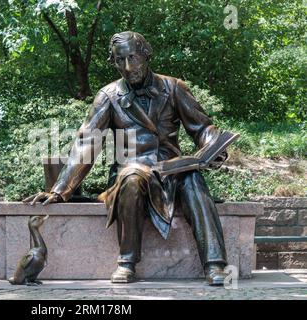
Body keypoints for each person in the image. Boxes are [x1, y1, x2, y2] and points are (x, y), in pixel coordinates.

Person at [23, 31, 229, 285]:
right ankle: (127, 262)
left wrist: (213, 146)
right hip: (132, 170)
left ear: (146, 55)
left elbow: (203, 128)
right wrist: (60, 189)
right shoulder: (108, 96)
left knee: (193, 178)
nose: (128, 67)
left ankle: (215, 264)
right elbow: (87, 142)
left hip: (170, 170)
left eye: (133, 57)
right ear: (114, 62)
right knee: (131, 178)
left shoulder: (174, 88)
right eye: (121, 60)